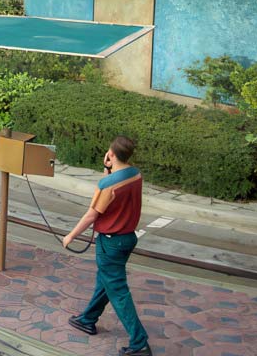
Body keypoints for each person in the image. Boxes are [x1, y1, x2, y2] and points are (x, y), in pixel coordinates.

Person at [64, 136, 150, 356]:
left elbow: (92, 214)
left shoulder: (107, 184)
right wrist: (108, 168)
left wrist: (70, 236)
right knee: (106, 281)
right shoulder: (135, 174)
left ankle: (139, 342)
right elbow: (114, 194)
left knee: (119, 292)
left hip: (110, 242)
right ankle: (88, 319)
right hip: (127, 238)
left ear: (111, 155)